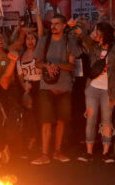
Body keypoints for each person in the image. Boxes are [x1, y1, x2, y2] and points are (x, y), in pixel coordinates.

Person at [31, 14, 80, 165]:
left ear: (64, 25)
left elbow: (72, 66)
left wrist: (57, 65)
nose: (53, 26)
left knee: (61, 121)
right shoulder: (44, 42)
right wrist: (47, 65)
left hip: (64, 88)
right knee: (46, 121)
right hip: (46, 87)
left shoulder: (69, 42)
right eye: (52, 24)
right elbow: (37, 63)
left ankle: (57, 151)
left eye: (57, 24)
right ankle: (45, 154)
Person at [79, 22, 115, 163]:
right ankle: (89, 152)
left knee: (106, 121)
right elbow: (86, 40)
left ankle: (106, 152)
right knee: (91, 119)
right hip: (92, 88)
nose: (95, 33)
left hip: (108, 91)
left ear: (104, 34)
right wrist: (87, 33)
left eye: (98, 31)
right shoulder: (94, 48)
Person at [16, 29, 41, 156]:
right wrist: (24, 86)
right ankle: (32, 141)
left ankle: (39, 142)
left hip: (40, 86)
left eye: (32, 38)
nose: (30, 41)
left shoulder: (40, 53)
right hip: (28, 87)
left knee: (40, 115)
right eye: (28, 38)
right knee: (29, 116)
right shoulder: (20, 57)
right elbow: (20, 75)